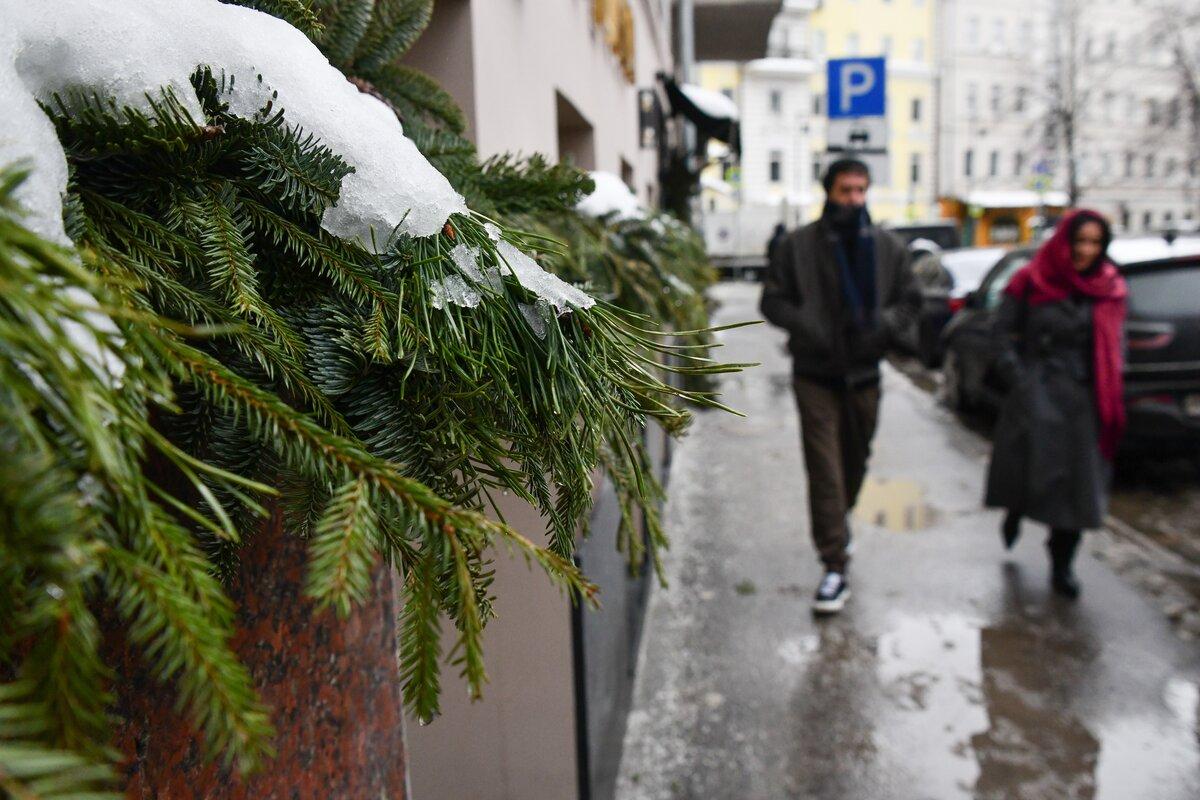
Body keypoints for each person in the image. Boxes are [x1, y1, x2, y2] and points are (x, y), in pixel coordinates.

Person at [760, 159, 918, 614]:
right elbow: (772, 299)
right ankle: (834, 563)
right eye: (846, 190)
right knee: (825, 469)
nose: (854, 199)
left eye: (861, 190)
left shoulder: (887, 247)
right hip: (815, 376)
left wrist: (883, 326)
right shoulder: (798, 245)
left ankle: (836, 527)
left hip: (865, 377)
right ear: (828, 191)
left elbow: (910, 301)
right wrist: (807, 324)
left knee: (854, 464)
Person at [985, 210, 1128, 599]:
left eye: (1094, 243)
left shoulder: (1109, 286)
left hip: (1085, 398)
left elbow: (1116, 343)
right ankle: (1014, 512)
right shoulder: (1031, 279)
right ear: (1064, 241)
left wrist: (1113, 384)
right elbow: (999, 333)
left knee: (1078, 489)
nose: (1085, 250)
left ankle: (1062, 562)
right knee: (1027, 471)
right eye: (1079, 241)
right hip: (1037, 392)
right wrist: (1020, 378)